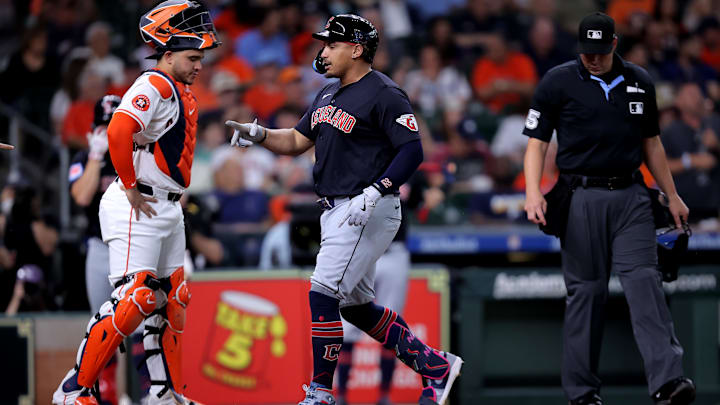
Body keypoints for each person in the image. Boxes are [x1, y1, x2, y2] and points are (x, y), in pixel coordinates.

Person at [226, 14, 463, 405]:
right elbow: (297, 140)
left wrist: (379, 189)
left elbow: (412, 149)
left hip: (365, 205)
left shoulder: (385, 92)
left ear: (356, 49)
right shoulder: (327, 94)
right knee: (355, 307)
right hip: (337, 209)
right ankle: (435, 367)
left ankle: (320, 391)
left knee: (322, 294)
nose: (324, 51)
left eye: (332, 44)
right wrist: (260, 134)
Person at [522, 12, 696, 405]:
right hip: (580, 194)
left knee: (645, 282)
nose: (593, 59)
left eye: (600, 52)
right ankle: (583, 394)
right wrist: (534, 192)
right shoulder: (558, 80)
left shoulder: (640, 81)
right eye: (587, 52)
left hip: (631, 194)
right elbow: (536, 142)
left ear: (614, 45)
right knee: (586, 292)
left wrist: (672, 194)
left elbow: (651, 143)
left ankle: (668, 383)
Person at [52, 1, 220, 404]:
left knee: (172, 299)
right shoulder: (157, 83)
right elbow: (118, 132)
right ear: (168, 52)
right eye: (192, 57)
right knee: (136, 296)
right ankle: (75, 390)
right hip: (138, 203)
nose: (199, 65)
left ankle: (167, 395)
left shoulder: (177, 87)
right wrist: (129, 184)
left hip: (166, 206)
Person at [335, 209, 411, 405]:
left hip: (394, 250)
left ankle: (384, 397)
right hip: (361, 247)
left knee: (391, 324)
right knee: (348, 325)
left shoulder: (400, 178)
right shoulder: (357, 178)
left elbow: (423, 199)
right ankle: (341, 396)